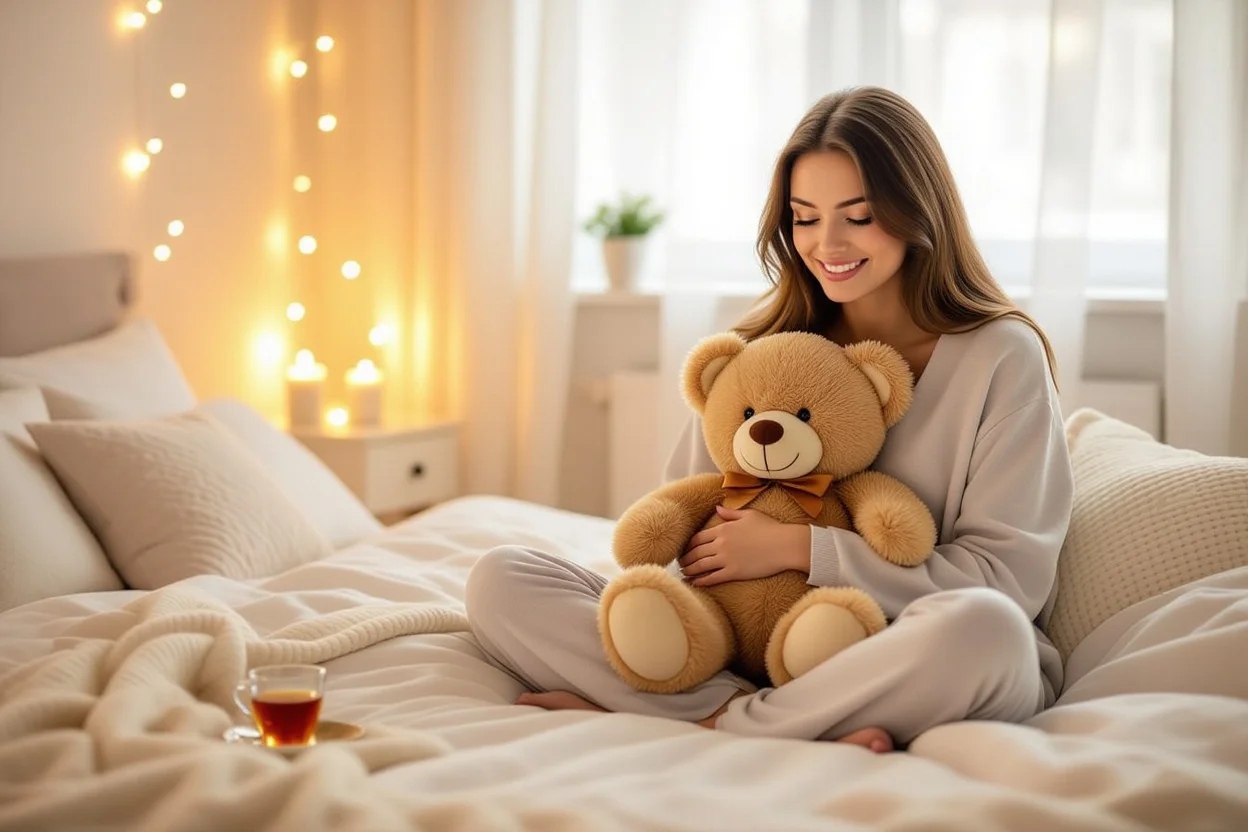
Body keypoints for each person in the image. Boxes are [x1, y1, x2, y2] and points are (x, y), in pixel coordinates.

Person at [465, 86, 1073, 753]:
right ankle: (770, 718)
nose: (826, 243)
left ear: (916, 212)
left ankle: (702, 726)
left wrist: (803, 552)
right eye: (804, 217)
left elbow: (1005, 582)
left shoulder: (999, 356)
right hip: (735, 655)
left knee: (988, 634)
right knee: (501, 580)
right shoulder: (767, 348)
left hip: (895, 644)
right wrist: (682, 623)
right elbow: (682, 538)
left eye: (858, 216)